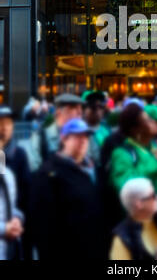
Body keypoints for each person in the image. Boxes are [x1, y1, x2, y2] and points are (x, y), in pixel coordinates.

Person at [30, 118, 104, 260]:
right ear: (64, 138)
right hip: (67, 252)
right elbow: (42, 224)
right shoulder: (48, 173)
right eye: (77, 136)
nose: (83, 140)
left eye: (86, 136)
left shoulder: (94, 169)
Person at [109, 103, 157, 224]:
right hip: (144, 221)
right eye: (147, 119)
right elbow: (125, 184)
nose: (153, 121)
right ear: (136, 129)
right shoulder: (122, 153)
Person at [0, 107, 31, 258]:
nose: (4, 128)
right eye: (1, 123)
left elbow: (25, 194)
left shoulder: (19, 155)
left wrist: (18, 219)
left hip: (15, 228)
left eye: (8, 123)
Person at [27, 93, 84, 170]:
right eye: (74, 108)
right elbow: (34, 168)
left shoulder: (83, 137)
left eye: (81, 108)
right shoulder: (41, 135)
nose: (80, 112)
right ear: (59, 112)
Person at [0, 168, 24, 260]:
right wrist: (4, 229)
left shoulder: (8, 175)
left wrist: (17, 218)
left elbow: (10, 206)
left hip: (8, 251)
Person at [82, 91, 110, 166]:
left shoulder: (107, 128)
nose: (97, 110)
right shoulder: (79, 133)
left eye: (100, 106)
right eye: (93, 107)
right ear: (84, 110)